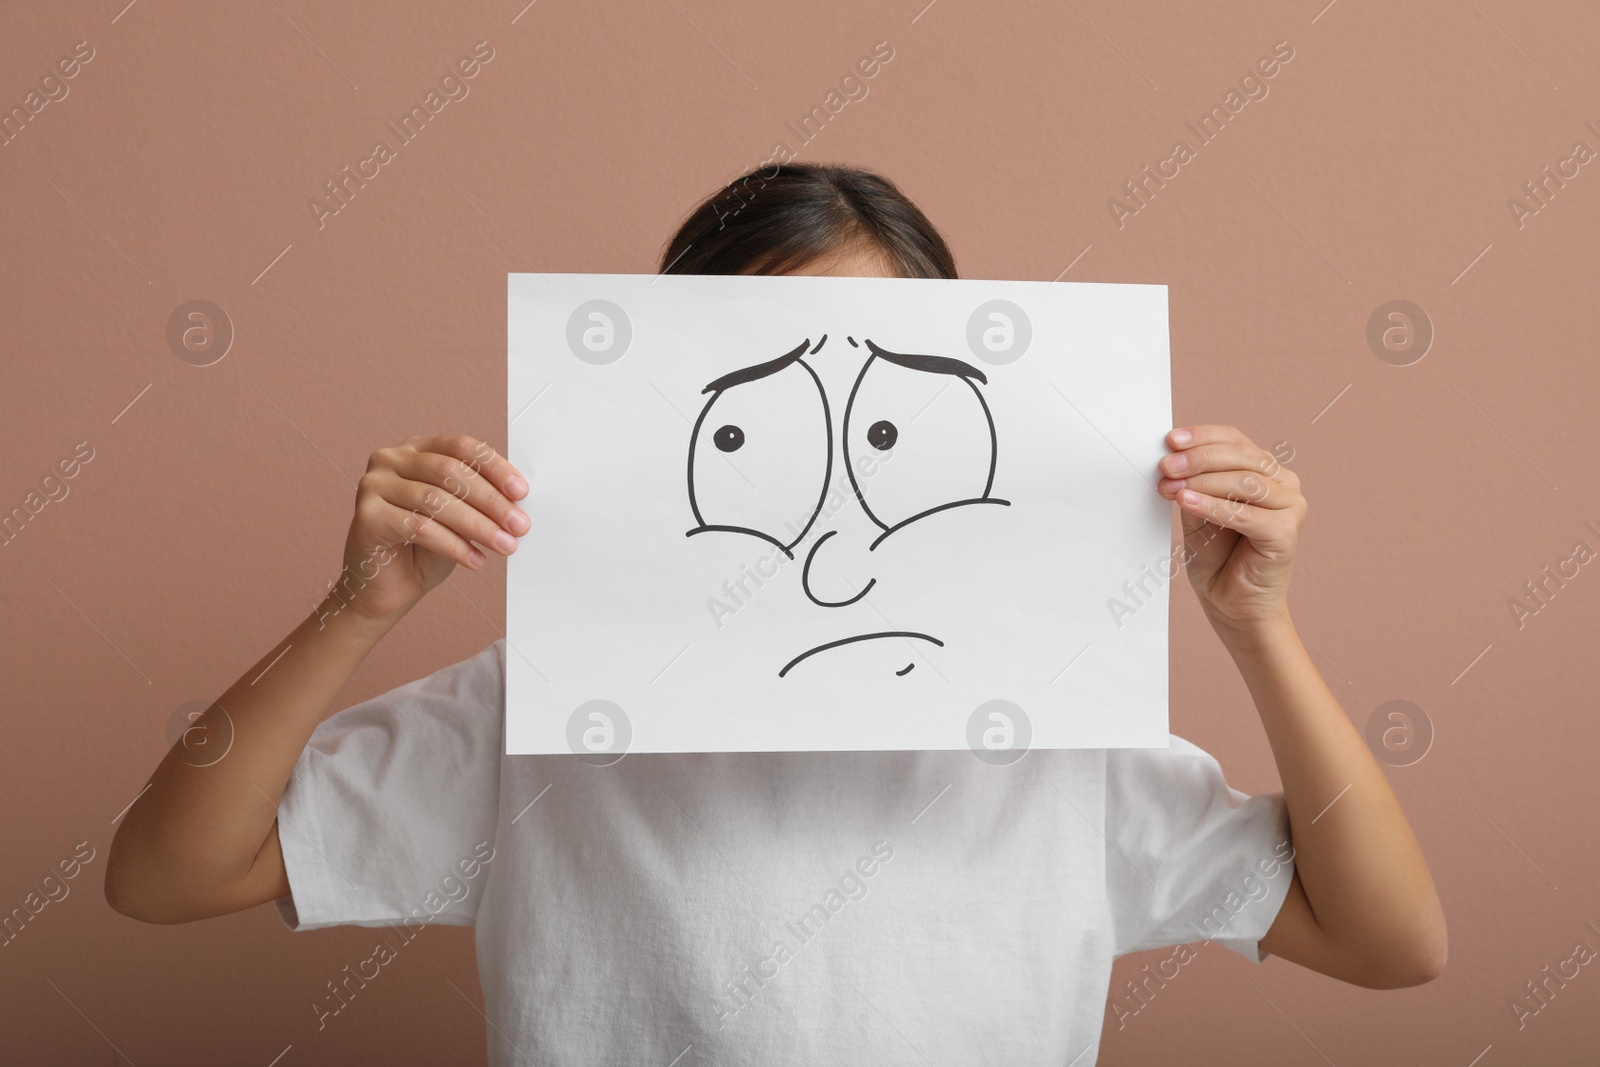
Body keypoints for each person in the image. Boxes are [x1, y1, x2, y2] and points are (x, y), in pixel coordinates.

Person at [105, 163, 1446, 1063]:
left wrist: (1257, 628)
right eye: (752, 423)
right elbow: (166, 875)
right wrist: (354, 608)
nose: (834, 517)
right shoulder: (547, 711)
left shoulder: (1052, 735)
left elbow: (1389, 941)